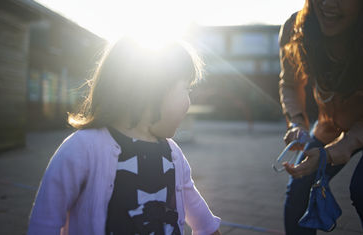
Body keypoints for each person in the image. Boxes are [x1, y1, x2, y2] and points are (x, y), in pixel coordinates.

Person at [27, 37, 221, 235]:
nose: (189, 101)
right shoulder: (83, 149)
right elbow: (44, 224)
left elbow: (204, 222)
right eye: (186, 89)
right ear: (152, 90)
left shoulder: (173, 154)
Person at [278, 0, 363, 234]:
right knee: (300, 189)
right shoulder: (296, 28)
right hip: (329, 126)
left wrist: (345, 145)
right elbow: (289, 83)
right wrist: (297, 123)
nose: (328, 2)